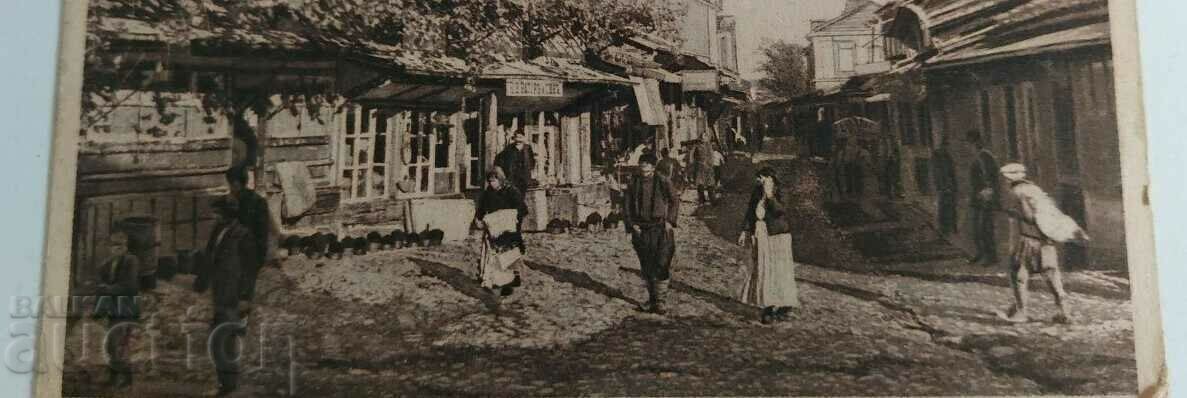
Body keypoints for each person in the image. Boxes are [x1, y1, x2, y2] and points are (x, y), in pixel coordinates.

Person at [194, 197, 256, 396]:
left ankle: (228, 384)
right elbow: (210, 256)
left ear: (229, 214)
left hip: (234, 296)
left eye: (219, 213)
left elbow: (250, 270)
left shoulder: (244, 235)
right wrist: (201, 281)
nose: (216, 216)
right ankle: (224, 382)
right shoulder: (218, 230)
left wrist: (245, 297)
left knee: (227, 338)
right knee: (217, 337)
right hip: (219, 294)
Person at [998, 163, 1074, 324]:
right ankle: (1064, 310)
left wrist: (1011, 212)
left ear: (1009, 178)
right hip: (1045, 239)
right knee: (1051, 274)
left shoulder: (1016, 192)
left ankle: (1021, 312)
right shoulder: (1035, 189)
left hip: (1028, 238)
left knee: (1019, 274)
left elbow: (1029, 217)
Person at [737, 167, 800, 324]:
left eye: (763, 178)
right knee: (764, 270)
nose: (760, 181)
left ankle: (785, 305)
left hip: (778, 236)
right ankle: (768, 306)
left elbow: (780, 211)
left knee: (780, 271)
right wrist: (745, 231)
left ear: (771, 178)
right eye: (759, 178)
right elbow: (750, 212)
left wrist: (770, 196)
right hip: (761, 235)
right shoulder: (756, 192)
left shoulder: (781, 191)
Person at [624, 154, 680, 315]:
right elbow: (626, 205)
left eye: (647, 164)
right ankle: (652, 300)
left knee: (662, 262)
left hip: (660, 228)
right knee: (646, 265)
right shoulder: (633, 182)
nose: (644, 167)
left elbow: (674, 200)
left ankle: (660, 301)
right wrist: (631, 224)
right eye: (642, 163)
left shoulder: (662, 181)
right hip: (641, 229)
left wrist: (670, 221)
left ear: (653, 167)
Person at [89, 232, 141, 389]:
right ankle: (115, 378)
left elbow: (130, 286)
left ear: (126, 247)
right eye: (113, 246)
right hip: (113, 310)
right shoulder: (106, 265)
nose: (116, 249)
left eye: (120, 245)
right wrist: (98, 311)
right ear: (109, 247)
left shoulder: (131, 261)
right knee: (111, 345)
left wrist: (108, 289)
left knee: (118, 344)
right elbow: (100, 289)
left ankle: (125, 378)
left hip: (126, 308)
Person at [473, 167, 529, 297]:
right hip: (494, 229)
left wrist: (509, 218)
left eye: (494, 181)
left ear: (500, 179)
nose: (492, 184)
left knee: (509, 255)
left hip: (509, 230)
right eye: (490, 181)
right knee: (494, 255)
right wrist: (479, 218)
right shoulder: (488, 192)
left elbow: (522, 209)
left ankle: (511, 280)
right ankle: (495, 279)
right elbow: (481, 207)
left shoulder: (511, 191)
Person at [225, 166, 272, 314]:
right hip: (253, 248)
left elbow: (253, 229)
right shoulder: (254, 200)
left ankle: (241, 310)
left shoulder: (241, 201)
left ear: (237, 184)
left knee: (242, 281)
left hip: (249, 248)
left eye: (231, 184)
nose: (230, 188)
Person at [968, 131, 1001, 265]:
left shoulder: (985, 156)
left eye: (971, 143)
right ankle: (981, 253)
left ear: (977, 142)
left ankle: (991, 256)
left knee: (985, 228)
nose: (970, 146)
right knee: (977, 228)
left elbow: (990, 179)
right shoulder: (979, 156)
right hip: (977, 198)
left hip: (985, 197)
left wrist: (988, 195)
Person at [933, 138, 959, 236]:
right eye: (945, 146)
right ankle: (943, 228)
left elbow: (952, 173)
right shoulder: (936, 156)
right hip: (942, 187)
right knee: (943, 207)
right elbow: (936, 173)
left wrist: (954, 186)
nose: (946, 148)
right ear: (941, 146)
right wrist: (941, 186)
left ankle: (952, 227)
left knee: (952, 207)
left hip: (950, 186)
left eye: (947, 146)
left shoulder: (948, 157)